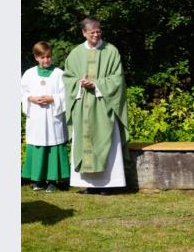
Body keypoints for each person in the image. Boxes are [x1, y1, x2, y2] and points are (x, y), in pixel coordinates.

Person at [62, 17, 128, 193]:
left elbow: (117, 79)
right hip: (82, 106)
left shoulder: (111, 51)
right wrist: (79, 83)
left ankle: (109, 184)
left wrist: (97, 84)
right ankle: (87, 185)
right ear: (84, 32)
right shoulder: (75, 53)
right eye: (92, 32)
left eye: (98, 31)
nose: (96, 35)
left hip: (103, 105)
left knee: (106, 140)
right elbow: (67, 78)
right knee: (83, 142)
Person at [21, 41, 69, 192]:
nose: (46, 60)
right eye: (42, 57)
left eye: (48, 57)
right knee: (37, 145)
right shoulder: (29, 74)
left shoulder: (59, 74)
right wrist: (31, 98)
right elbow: (22, 91)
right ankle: (38, 179)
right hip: (36, 116)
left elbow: (67, 94)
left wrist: (53, 98)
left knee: (53, 146)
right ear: (36, 57)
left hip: (52, 117)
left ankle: (54, 180)